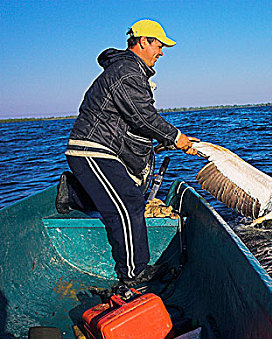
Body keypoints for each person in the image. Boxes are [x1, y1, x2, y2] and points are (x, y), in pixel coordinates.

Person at [56, 19, 198, 286]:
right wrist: (176, 137)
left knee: (122, 198)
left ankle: (73, 191)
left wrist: (162, 141)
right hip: (92, 149)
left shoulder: (130, 71)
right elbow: (143, 117)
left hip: (102, 150)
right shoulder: (128, 72)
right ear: (143, 41)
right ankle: (134, 273)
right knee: (129, 202)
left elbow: (131, 122)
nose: (162, 52)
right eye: (159, 45)